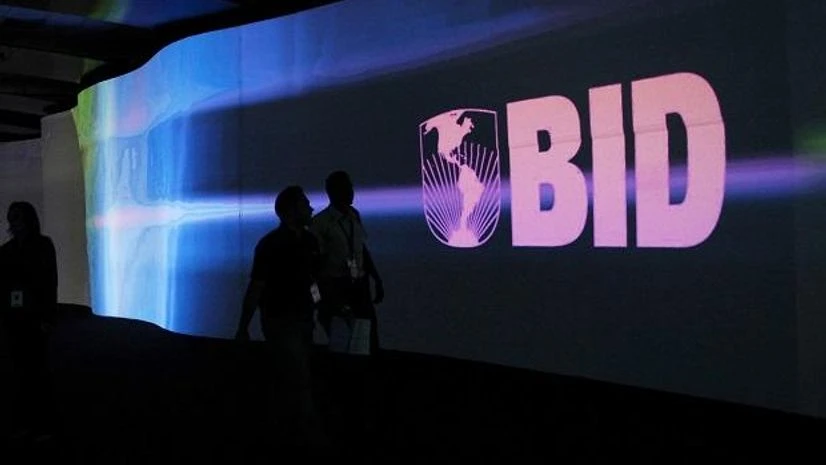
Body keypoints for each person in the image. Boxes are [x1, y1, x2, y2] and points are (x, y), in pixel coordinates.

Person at [234, 186, 328, 450]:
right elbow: (258, 286)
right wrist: (243, 327)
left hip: (299, 320)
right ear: (291, 210)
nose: (310, 208)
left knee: (294, 377)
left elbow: (311, 281)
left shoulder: (306, 242)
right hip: (282, 321)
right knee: (298, 378)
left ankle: (287, 435)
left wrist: (317, 306)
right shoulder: (273, 245)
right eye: (305, 204)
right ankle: (307, 438)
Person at [310, 170, 385, 438]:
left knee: (366, 345)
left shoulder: (354, 216)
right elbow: (314, 269)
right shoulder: (320, 224)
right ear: (334, 191)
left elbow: (360, 249)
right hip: (336, 289)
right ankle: (343, 413)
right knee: (343, 350)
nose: (352, 191)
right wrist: (321, 302)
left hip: (358, 288)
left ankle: (362, 405)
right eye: (347, 186)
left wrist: (375, 277)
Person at [0, 201, 58, 443]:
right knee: (19, 373)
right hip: (14, 320)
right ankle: (24, 423)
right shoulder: (6, 251)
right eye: (12, 218)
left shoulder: (43, 245)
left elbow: (49, 281)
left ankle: (42, 424)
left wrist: (47, 317)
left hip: (35, 318)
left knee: (37, 371)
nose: (15, 223)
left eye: (18, 218)